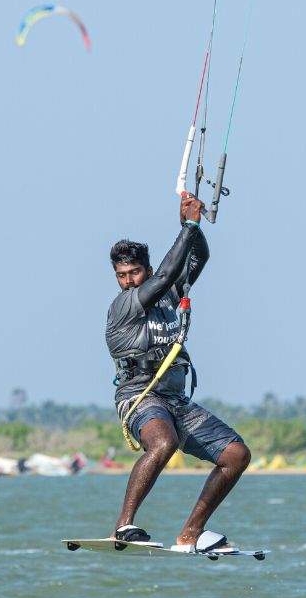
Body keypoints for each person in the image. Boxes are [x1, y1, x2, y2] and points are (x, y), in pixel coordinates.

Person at [104, 194, 251, 553]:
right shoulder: (124, 305)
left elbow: (198, 257)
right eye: (121, 275)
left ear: (147, 271)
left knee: (236, 455)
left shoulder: (170, 293)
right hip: (139, 396)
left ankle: (191, 534)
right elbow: (171, 268)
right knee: (163, 443)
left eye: (134, 273)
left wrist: (190, 224)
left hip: (176, 399)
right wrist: (188, 226)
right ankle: (123, 526)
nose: (128, 281)